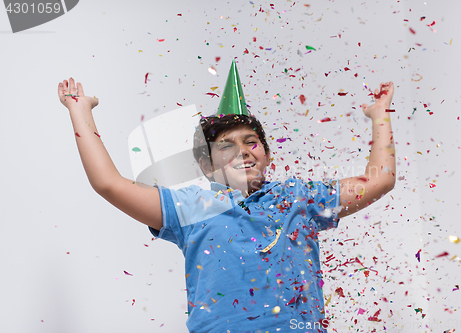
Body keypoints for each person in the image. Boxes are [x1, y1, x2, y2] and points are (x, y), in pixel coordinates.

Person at [58, 60, 395, 333]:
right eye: (226, 146)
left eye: (251, 142)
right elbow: (108, 184)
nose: (243, 152)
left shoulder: (298, 197)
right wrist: (79, 111)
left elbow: (380, 180)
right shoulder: (189, 206)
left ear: (266, 154)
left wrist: (380, 116)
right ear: (206, 165)